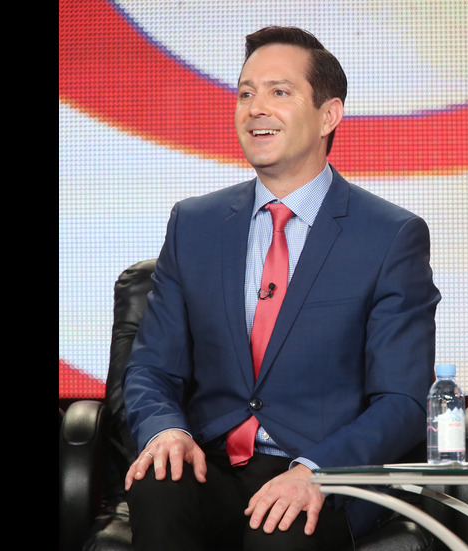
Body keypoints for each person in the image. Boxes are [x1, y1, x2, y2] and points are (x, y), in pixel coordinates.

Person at [122, 26, 440, 550]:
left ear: (328, 115)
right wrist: (165, 431)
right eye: (245, 93)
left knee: (281, 531)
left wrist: (317, 470)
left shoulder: (389, 236)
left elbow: (401, 401)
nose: (255, 108)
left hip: (320, 473)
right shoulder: (194, 224)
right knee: (159, 483)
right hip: (211, 463)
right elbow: (151, 369)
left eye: (279, 92)